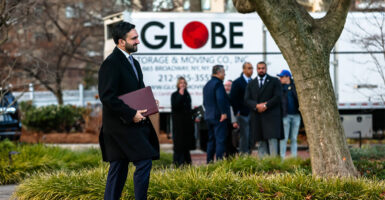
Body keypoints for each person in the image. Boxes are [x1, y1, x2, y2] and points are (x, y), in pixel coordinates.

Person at [98, 21, 160, 200]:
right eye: (134, 38)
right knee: (144, 161)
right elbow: (107, 96)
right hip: (119, 127)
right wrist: (131, 114)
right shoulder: (111, 63)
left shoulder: (135, 63)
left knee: (118, 166)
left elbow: (136, 93)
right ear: (121, 42)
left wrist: (149, 103)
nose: (138, 41)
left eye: (137, 37)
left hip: (129, 126)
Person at [244, 61, 283, 157]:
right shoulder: (251, 83)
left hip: (271, 117)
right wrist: (256, 106)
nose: (261, 70)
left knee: (272, 141)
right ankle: (263, 166)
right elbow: (247, 99)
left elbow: (278, 96)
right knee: (261, 142)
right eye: (259, 68)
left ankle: (274, 165)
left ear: (266, 69)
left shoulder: (274, 81)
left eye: (263, 68)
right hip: (258, 117)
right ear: (256, 69)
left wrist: (266, 105)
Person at [203, 65, 231, 163]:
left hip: (209, 116)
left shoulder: (207, 85)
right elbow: (220, 98)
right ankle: (219, 162)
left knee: (211, 140)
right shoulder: (218, 84)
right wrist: (223, 112)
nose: (224, 74)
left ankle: (209, 162)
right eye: (223, 72)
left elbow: (205, 102)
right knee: (220, 140)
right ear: (218, 73)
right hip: (218, 117)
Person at [171, 77, 196, 166]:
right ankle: (178, 162)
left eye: (184, 83)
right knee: (179, 144)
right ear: (178, 84)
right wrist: (180, 95)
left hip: (187, 124)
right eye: (181, 83)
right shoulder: (174, 95)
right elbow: (175, 106)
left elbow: (188, 109)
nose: (183, 84)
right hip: (178, 124)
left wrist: (195, 114)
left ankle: (187, 163)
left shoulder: (187, 94)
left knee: (186, 144)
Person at [229, 62, 253, 154]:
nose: (251, 70)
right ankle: (243, 155)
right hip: (242, 114)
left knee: (251, 136)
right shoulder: (237, 82)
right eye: (249, 68)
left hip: (252, 113)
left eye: (251, 68)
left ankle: (249, 153)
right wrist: (237, 111)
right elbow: (233, 98)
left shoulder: (253, 81)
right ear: (243, 69)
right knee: (244, 136)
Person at [277, 70, 301, 158]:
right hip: (285, 116)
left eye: (282, 77)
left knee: (294, 138)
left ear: (288, 77)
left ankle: (294, 158)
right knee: (284, 138)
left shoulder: (295, 86)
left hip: (296, 116)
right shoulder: (280, 88)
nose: (280, 79)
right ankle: (282, 158)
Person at [224, 80, 239, 157]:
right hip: (225, 121)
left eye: (229, 86)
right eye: (226, 85)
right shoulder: (223, 95)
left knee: (232, 140)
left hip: (232, 122)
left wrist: (234, 121)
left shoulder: (232, 96)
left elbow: (232, 109)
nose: (227, 87)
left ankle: (232, 154)